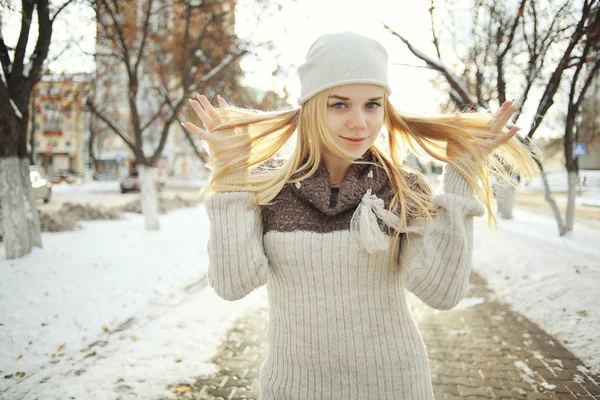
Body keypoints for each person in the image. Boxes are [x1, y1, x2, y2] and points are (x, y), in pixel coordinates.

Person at [182, 31, 537, 400]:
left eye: (372, 105)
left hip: (396, 388)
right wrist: (231, 173)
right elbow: (232, 283)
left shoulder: (401, 187)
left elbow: (441, 293)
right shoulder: (271, 188)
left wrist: (462, 175)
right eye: (339, 105)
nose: (359, 122)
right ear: (311, 107)